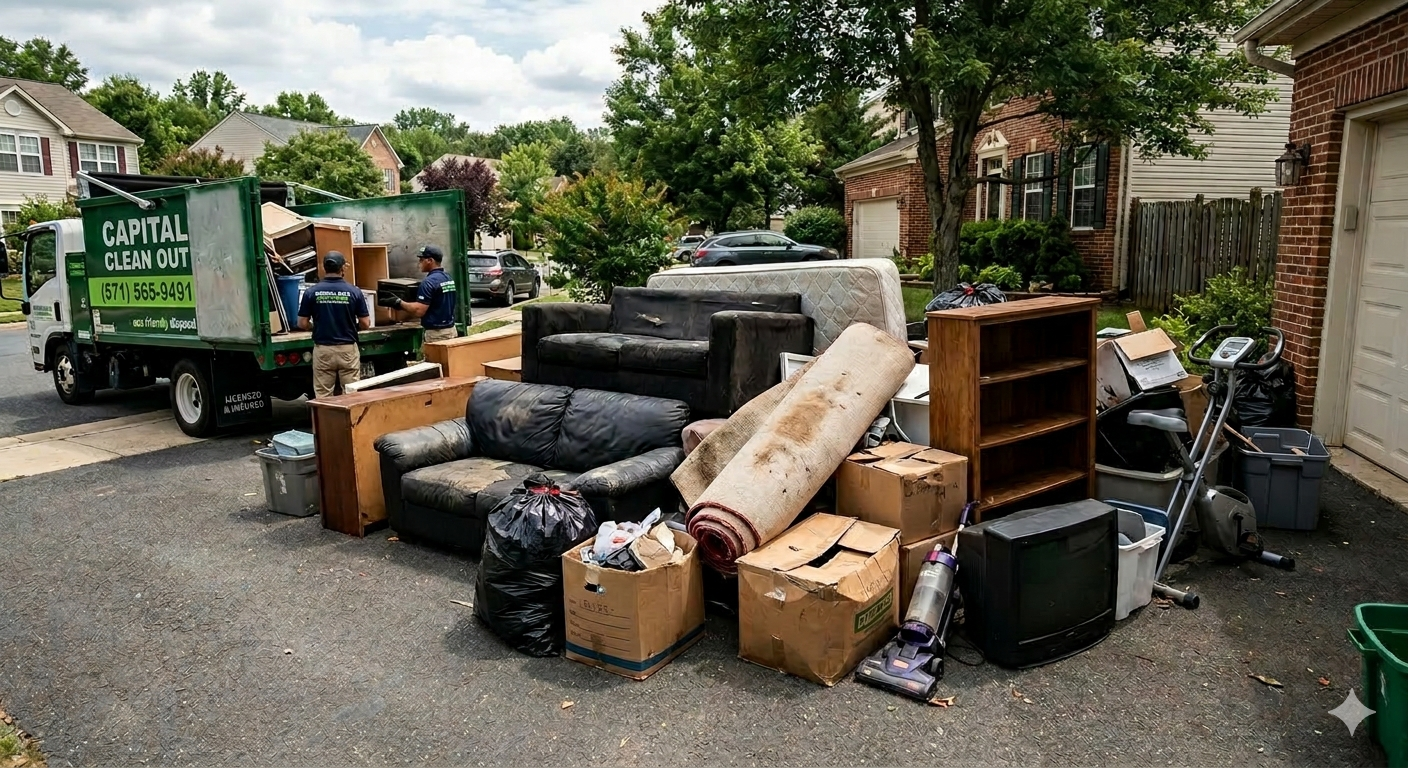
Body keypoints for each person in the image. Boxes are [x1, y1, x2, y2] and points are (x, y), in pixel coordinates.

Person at [298, 252, 370, 398]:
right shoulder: (354, 291)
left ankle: (326, 421)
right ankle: (349, 421)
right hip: (347, 350)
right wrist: (353, 326)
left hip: (323, 350)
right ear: (342, 268)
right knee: (351, 394)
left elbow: (301, 323)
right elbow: (365, 323)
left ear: (324, 268)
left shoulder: (311, 292)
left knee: (323, 396)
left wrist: (314, 326)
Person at [380, 244, 460, 357]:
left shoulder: (428, 282)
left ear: (430, 260)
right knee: (450, 366)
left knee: (436, 368)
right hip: (450, 330)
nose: (419, 263)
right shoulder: (447, 278)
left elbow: (419, 311)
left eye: (421, 260)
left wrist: (398, 302)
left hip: (436, 335)